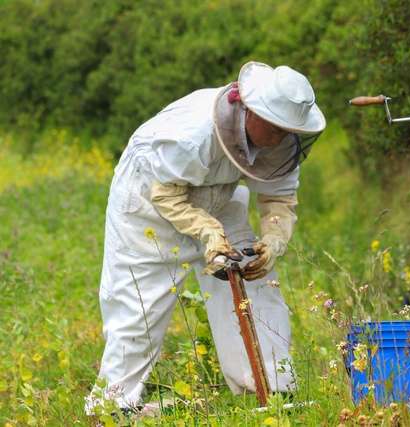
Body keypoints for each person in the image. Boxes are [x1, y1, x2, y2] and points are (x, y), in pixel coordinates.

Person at [85, 61, 325, 413]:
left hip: (218, 196)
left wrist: (274, 240)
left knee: (254, 278)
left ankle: (273, 390)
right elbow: (165, 194)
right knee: (140, 307)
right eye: (276, 128)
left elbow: (278, 198)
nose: (281, 138)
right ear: (251, 112)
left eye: (289, 130)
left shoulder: (280, 142)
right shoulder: (192, 134)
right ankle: (112, 406)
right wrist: (208, 231)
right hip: (149, 201)